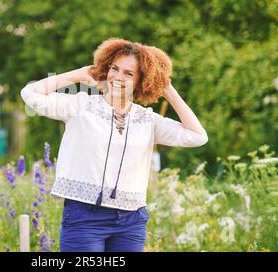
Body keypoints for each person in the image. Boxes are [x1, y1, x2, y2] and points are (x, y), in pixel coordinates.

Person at [20, 37, 208, 252]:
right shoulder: (80, 105)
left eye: (129, 73)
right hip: (84, 218)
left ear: (141, 80)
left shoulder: (148, 120)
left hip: (131, 222)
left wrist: (167, 89)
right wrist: (77, 75)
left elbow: (197, 136)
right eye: (114, 69)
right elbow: (29, 93)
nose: (118, 77)